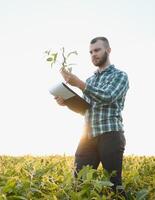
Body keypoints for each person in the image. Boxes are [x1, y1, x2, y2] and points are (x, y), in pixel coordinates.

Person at [55, 37, 129, 196]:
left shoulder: (120, 76)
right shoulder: (90, 80)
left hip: (110, 134)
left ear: (108, 50)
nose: (93, 54)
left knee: (114, 185)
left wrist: (80, 84)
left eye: (97, 50)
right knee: (79, 183)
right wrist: (67, 102)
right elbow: (85, 110)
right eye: (90, 52)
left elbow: (108, 96)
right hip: (87, 136)